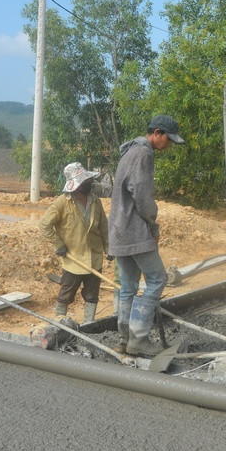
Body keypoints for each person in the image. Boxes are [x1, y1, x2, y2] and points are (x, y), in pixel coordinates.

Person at [108, 114, 185, 357]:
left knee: (128, 285)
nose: (169, 145)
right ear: (157, 133)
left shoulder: (129, 152)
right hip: (134, 229)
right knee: (157, 279)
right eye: (168, 139)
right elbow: (141, 194)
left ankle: (123, 338)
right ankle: (139, 338)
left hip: (118, 231)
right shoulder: (144, 154)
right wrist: (152, 223)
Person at [39, 162, 109, 324]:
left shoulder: (95, 201)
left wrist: (108, 247)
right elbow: (44, 225)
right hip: (74, 260)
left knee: (92, 295)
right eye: (85, 181)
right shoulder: (62, 203)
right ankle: (58, 324)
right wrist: (58, 244)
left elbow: (103, 225)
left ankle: (88, 324)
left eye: (88, 180)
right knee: (66, 294)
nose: (89, 183)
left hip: (94, 257)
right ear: (76, 185)